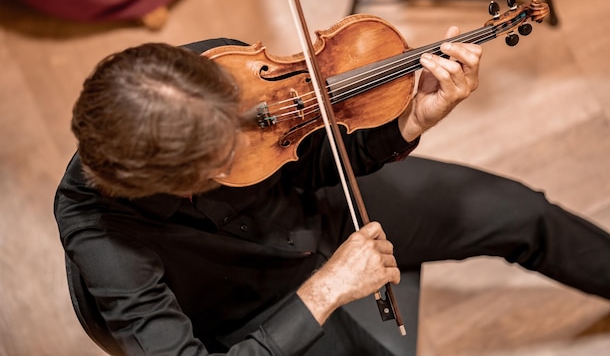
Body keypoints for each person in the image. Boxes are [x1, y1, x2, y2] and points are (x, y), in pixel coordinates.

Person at [54, 28, 610, 356]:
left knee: (522, 213)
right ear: (174, 182)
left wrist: (408, 121)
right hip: (254, 311)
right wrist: (325, 291)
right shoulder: (103, 238)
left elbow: (300, 156)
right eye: (224, 160)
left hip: (321, 207)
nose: (248, 140)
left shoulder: (216, 74)